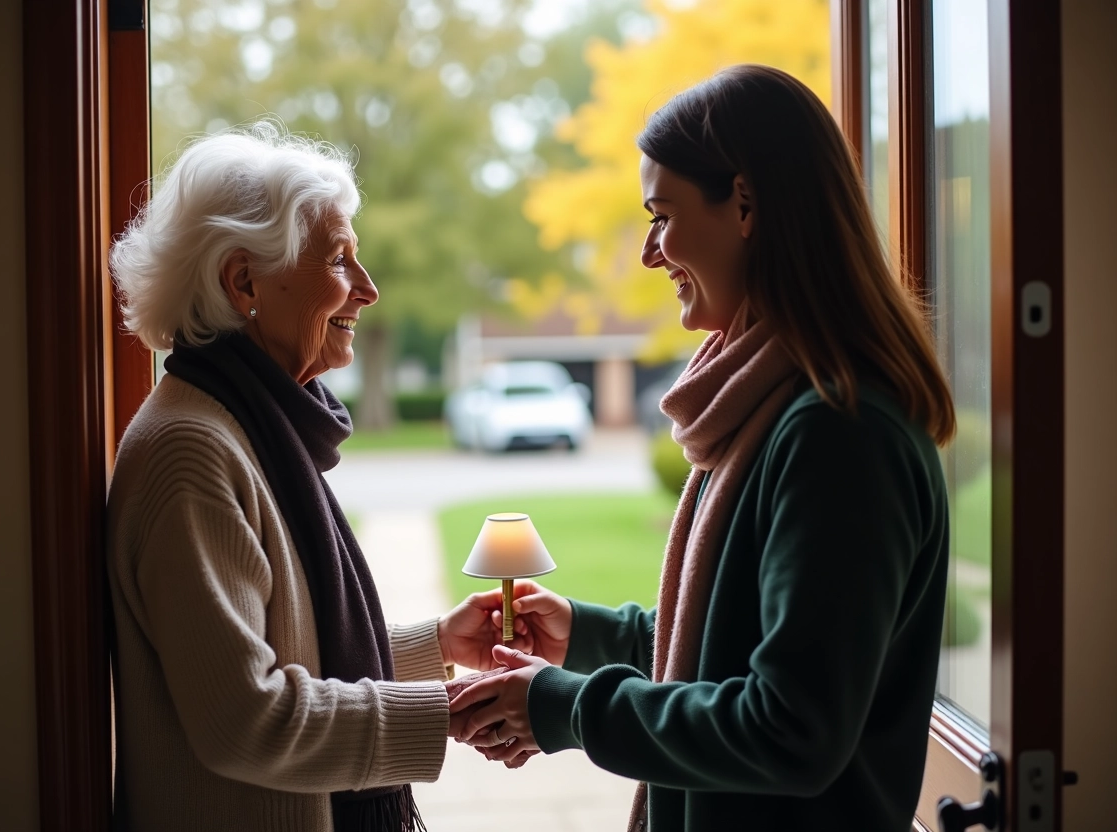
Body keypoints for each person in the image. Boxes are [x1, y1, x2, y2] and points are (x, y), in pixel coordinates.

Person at [449, 64, 955, 832]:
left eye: (662, 213)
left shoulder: (837, 436)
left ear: (746, 203)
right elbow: (732, 643)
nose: (651, 252)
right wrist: (587, 634)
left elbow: (790, 728)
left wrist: (568, 709)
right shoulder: (769, 407)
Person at [106, 123, 507, 832]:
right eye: (342, 259)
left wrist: (437, 645)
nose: (370, 289)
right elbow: (245, 720)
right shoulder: (191, 452)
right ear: (243, 282)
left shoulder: (245, 424)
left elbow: (293, 645)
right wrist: (450, 713)